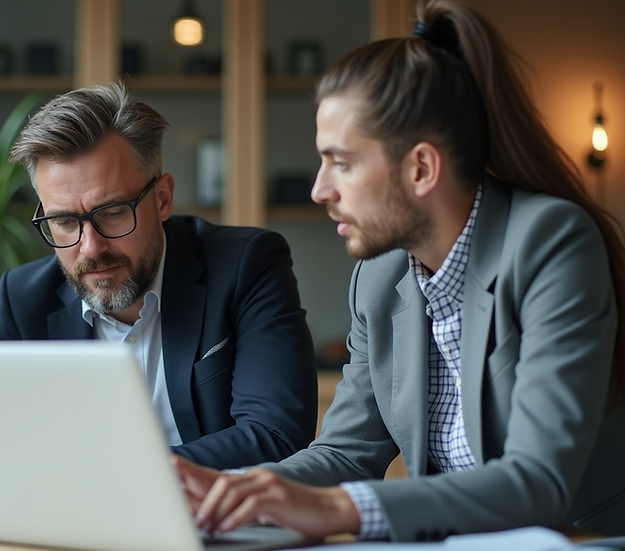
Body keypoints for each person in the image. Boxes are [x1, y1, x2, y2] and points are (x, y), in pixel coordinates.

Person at [177, 0, 625, 542]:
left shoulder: (550, 242)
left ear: (420, 168)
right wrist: (233, 490)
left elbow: (538, 482)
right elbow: (346, 451)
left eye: (341, 162)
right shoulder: (379, 279)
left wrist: (337, 509)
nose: (320, 189)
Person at [0, 82, 318, 526]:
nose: (90, 247)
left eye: (112, 212)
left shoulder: (246, 264)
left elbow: (275, 435)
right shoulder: (25, 297)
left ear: (163, 197)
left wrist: (104, 479)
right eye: (63, 221)